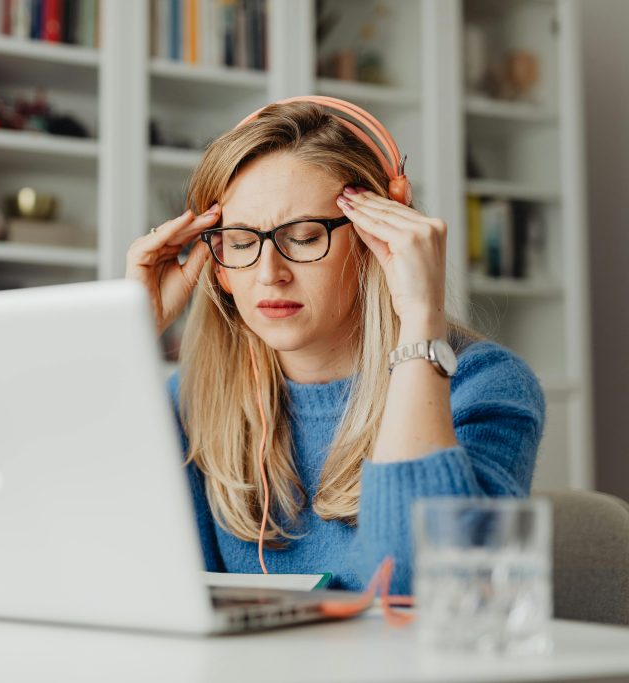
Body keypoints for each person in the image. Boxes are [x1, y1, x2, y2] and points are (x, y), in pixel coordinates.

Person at [124, 98, 545, 595]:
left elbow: (418, 588)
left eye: (303, 238)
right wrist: (127, 337)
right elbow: (123, 571)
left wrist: (419, 323)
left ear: (378, 239)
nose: (268, 274)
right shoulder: (192, 400)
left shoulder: (484, 386)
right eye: (240, 243)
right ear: (216, 262)